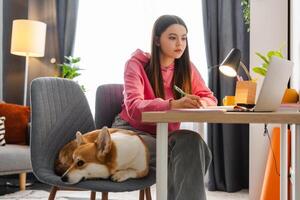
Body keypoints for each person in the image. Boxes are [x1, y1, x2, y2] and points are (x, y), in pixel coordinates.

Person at [112, 15, 217, 200]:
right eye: (172, 37)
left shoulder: (186, 68)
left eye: (184, 38)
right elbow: (134, 107)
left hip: (164, 135)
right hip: (132, 133)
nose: (180, 43)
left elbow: (210, 98)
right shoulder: (136, 65)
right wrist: (172, 104)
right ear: (156, 40)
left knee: (194, 144)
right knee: (190, 153)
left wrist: (200, 103)